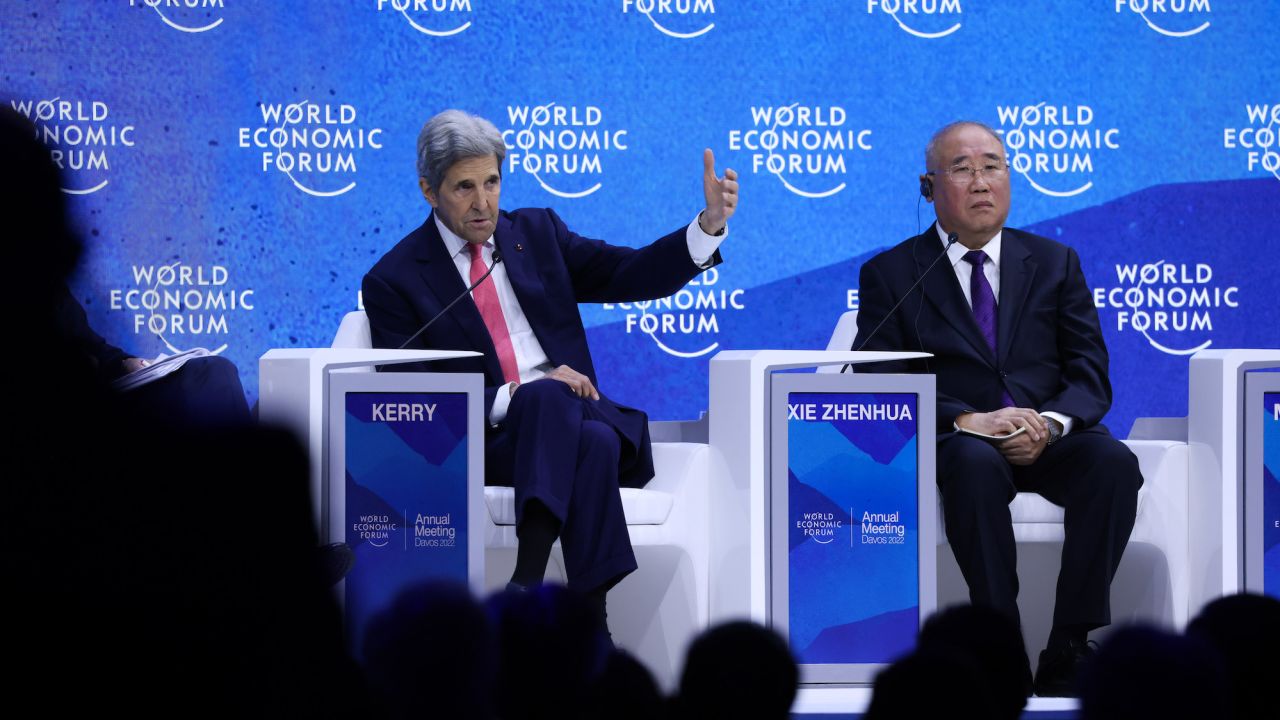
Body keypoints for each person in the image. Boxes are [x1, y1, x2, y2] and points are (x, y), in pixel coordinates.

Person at [362, 109, 738, 626]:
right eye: (463, 188)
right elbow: (413, 397)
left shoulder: (536, 234)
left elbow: (628, 274)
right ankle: (586, 620)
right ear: (429, 191)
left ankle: (529, 583)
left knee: (571, 414)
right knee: (585, 435)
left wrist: (707, 228)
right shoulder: (395, 279)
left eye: (492, 182)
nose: (482, 203)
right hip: (488, 445)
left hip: (574, 415)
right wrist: (514, 396)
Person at [853, 121, 1142, 696]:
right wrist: (967, 419)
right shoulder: (892, 274)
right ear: (928, 187)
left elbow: (1090, 373)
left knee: (1112, 464)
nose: (982, 182)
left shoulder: (1056, 262)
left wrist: (1050, 424)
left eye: (994, 165)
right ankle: (1001, 646)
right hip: (959, 439)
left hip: (1048, 435)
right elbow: (879, 375)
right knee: (973, 465)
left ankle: (1067, 645)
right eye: (962, 168)